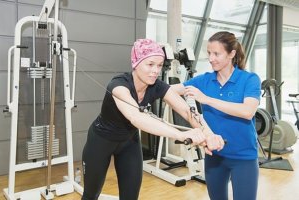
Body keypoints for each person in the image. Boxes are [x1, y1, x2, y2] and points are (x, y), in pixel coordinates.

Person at [81, 38, 225, 200]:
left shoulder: (158, 86)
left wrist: (208, 134)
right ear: (136, 63)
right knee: (90, 196)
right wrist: (181, 134)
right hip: (101, 140)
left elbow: (186, 111)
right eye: (150, 64)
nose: (156, 70)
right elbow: (136, 117)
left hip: (129, 142)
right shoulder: (118, 86)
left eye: (159, 65)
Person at [172, 31, 261, 200]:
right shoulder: (203, 80)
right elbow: (169, 92)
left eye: (216, 54)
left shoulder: (249, 79)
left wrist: (206, 99)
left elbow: (247, 112)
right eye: (209, 53)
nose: (211, 58)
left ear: (232, 54)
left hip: (243, 157)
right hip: (215, 156)